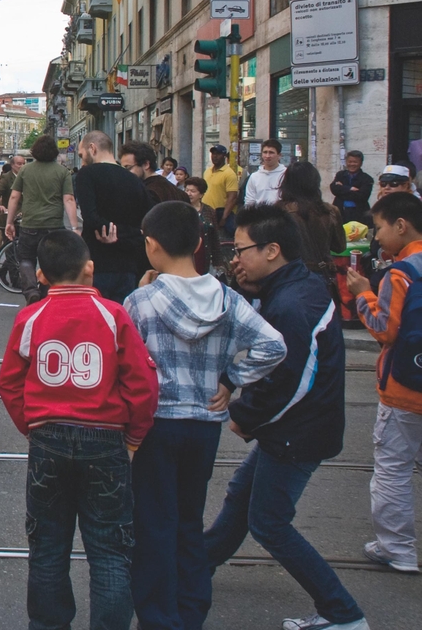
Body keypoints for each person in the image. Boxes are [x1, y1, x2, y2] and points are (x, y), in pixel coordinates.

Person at [124, 201, 287, 630]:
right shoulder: (228, 298)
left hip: (156, 426)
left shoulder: (141, 301)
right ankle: (190, 612)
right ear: (198, 244)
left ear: (152, 245)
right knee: (188, 520)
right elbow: (274, 346)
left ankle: (158, 617)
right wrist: (232, 379)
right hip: (203, 427)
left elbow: (125, 366)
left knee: (153, 524)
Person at [206, 204, 366, 630]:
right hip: (297, 427)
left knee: (270, 523)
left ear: (272, 250)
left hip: (300, 431)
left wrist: (244, 414)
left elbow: (292, 378)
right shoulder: (290, 288)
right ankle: (196, 565)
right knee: (243, 496)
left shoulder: (293, 304)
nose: (235, 258)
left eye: (242, 250)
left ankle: (343, 613)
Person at [0, 229, 159, 630]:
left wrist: (31, 425)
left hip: (48, 438)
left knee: (48, 547)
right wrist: (134, 437)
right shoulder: (113, 314)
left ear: (43, 277)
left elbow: (9, 382)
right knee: (109, 551)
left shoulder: (30, 317)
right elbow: (143, 385)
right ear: (89, 268)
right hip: (105, 439)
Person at [344, 192, 422, 575]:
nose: (376, 237)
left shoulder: (402, 272)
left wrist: (363, 295)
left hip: (405, 390)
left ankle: (397, 548)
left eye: (379, 228)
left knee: (393, 468)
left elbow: (383, 329)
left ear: (402, 226)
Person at [76, 131, 153, 303]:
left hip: (98, 263)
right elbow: (148, 221)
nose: (82, 162)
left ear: (92, 148)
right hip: (128, 265)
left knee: (99, 321)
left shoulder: (87, 175)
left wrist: (112, 233)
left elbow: (90, 216)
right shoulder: (134, 180)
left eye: (82, 155)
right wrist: (128, 235)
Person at [4, 135, 78, 304]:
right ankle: (45, 293)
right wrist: (75, 228)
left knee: (26, 259)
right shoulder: (62, 171)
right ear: (54, 152)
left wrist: (9, 222)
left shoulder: (25, 170)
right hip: (54, 226)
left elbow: (15, 197)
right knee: (51, 261)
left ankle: (30, 290)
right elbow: (69, 200)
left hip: (30, 224)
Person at [280, 161, 346, 297]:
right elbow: (340, 247)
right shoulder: (330, 211)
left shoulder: (278, 211)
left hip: (289, 276)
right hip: (322, 274)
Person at [120, 140, 188, 205]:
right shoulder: (179, 193)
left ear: (146, 164)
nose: (124, 173)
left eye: (128, 168)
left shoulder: (146, 194)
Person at [182, 177, 221, 277]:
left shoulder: (209, 211)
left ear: (201, 194)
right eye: (187, 190)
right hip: (186, 256)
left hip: (204, 256)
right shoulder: (181, 209)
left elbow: (215, 237)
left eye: (193, 191)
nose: (189, 193)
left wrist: (217, 261)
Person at [200, 144, 239, 233]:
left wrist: (224, 218)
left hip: (219, 214)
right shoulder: (207, 171)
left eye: (218, 154)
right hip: (206, 212)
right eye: (213, 154)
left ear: (224, 156)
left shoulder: (229, 174)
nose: (215, 156)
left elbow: (232, 198)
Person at [330, 151, 373, 227]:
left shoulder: (367, 179)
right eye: (350, 162)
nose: (352, 164)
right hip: (340, 212)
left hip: (358, 214)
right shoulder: (340, 175)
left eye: (355, 162)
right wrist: (350, 188)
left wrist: (342, 189)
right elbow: (334, 189)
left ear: (361, 163)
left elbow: (362, 196)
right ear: (346, 162)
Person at [0, 155, 24, 251]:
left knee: (23, 248)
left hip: (24, 219)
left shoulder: (27, 176)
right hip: (9, 217)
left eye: (24, 164)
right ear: (12, 165)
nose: (22, 166)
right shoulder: (6, 177)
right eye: (19, 164)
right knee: (10, 248)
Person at [242, 138, 287, 206]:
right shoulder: (254, 177)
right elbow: (249, 201)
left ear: (279, 155)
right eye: (265, 152)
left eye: (271, 152)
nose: (267, 156)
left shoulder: (286, 174)